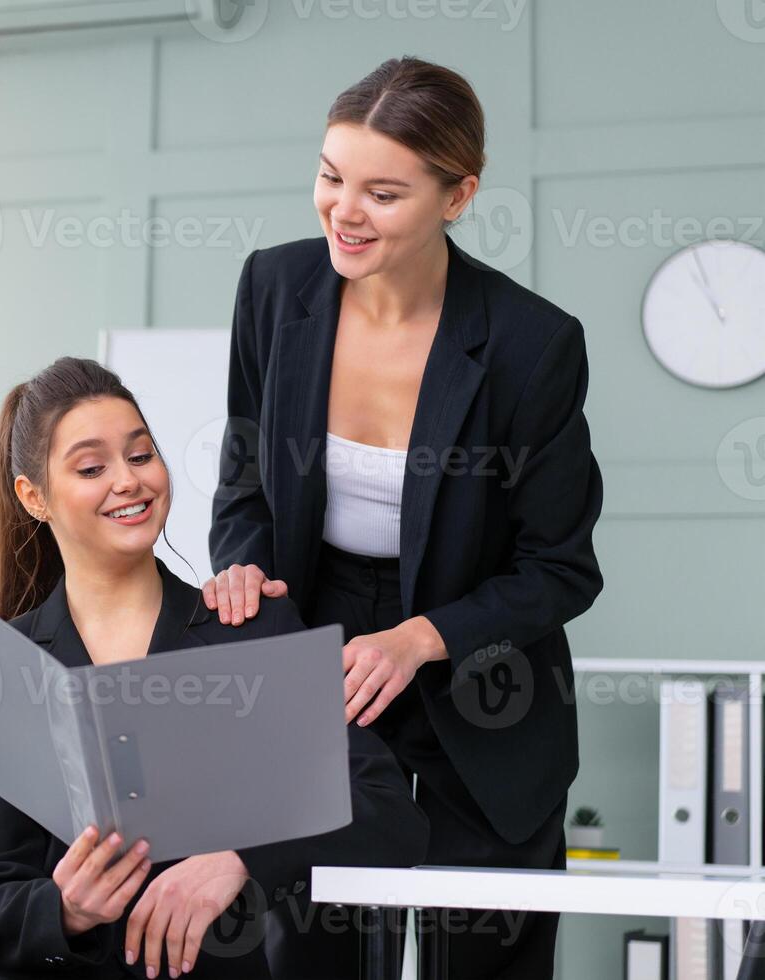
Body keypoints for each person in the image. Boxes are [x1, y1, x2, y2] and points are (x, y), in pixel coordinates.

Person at [204, 57, 605, 979]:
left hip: (481, 663)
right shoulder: (273, 289)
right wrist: (244, 572)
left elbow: (560, 566)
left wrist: (419, 638)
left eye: (383, 192)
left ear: (457, 195)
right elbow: (246, 484)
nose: (344, 211)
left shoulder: (533, 344)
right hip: (321, 651)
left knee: (484, 955)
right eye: (330, 176)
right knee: (310, 948)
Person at [0, 355, 429, 980]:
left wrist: (242, 857)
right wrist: (66, 909)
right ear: (34, 498)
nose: (129, 481)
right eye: (91, 467)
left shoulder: (247, 633)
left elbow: (388, 810)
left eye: (141, 456)